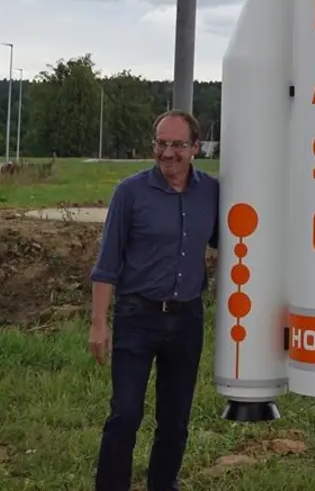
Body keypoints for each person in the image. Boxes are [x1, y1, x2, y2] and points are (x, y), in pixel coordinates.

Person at [88, 110, 219, 491]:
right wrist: (99, 323)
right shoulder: (130, 193)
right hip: (137, 315)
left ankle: (163, 483)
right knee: (126, 413)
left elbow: (234, 240)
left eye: (178, 144)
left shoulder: (210, 192)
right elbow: (107, 263)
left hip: (187, 319)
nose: (168, 153)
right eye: (162, 143)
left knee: (175, 417)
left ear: (196, 148)